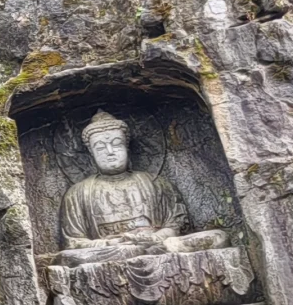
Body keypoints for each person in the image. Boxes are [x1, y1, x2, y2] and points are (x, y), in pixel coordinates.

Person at [56, 110, 229, 266]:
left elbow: (178, 224)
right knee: (67, 257)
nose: (110, 151)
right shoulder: (77, 193)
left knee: (218, 237)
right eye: (100, 147)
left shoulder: (155, 182)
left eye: (116, 144)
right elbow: (73, 243)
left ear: (127, 146)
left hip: (159, 245)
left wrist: (156, 237)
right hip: (113, 251)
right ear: (91, 153)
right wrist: (111, 243)